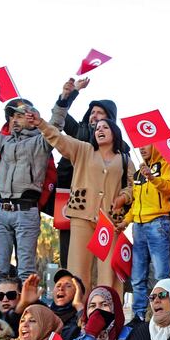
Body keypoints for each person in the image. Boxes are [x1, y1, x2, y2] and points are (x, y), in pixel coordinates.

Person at [27, 108, 134, 295]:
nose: (99, 130)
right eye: (97, 128)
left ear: (115, 133)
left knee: (108, 270)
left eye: (105, 127)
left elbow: (134, 186)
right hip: (81, 216)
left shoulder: (124, 159)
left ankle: (108, 310)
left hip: (109, 221)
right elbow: (60, 139)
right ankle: (78, 310)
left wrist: (123, 197)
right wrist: (41, 123)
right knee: (78, 269)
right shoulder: (83, 150)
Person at [0, 83, 69, 281]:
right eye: (11, 116)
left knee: (26, 270)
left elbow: (56, 125)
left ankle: (27, 312)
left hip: (26, 212)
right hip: (0, 213)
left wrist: (64, 98)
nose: (13, 120)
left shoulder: (42, 142)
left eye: (19, 116)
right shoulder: (3, 142)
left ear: (31, 118)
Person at [55, 78, 126, 267]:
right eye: (92, 112)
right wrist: (71, 93)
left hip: (104, 210)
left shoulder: (121, 148)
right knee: (71, 259)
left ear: (110, 118)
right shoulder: (78, 130)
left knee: (103, 264)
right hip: (73, 204)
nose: (94, 116)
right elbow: (58, 117)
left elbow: (126, 179)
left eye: (100, 113)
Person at [119, 143, 170, 322]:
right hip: (138, 226)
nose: (142, 148)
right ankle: (138, 316)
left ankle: (164, 315)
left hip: (158, 222)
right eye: (140, 146)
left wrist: (152, 177)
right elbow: (135, 203)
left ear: (156, 146)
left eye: (146, 145)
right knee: (137, 276)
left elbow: (169, 189)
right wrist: (125, 222)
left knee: (161, 275)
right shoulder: (138, 173)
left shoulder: (166, 164)